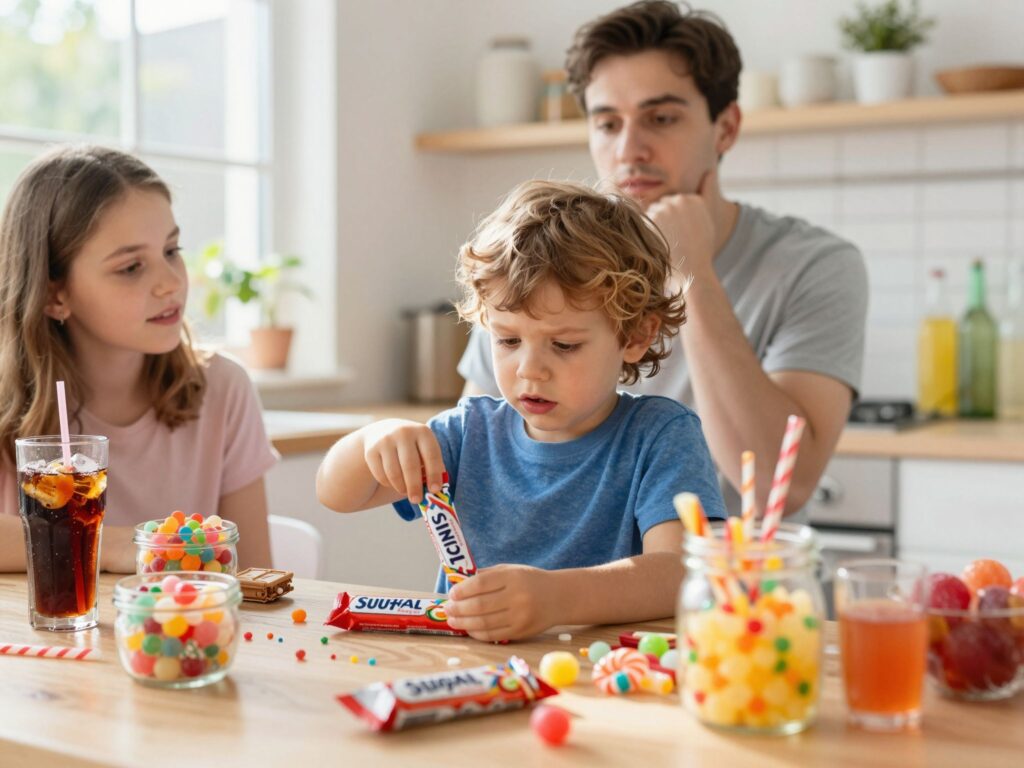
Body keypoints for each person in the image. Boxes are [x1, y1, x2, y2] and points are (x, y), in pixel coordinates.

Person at [458, 1, 868, 519]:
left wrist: (690, 271)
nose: (630, 148)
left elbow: (775, 488)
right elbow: (478, 461)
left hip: (734, 593)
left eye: (661, 118)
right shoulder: (543, 262)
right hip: (562, 594)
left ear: (726, 128)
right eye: (608, 123)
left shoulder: (816, 265)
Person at [316, 180, 725, 641]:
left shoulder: (661, 435)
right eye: (508, 340)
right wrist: (377, 437)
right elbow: (336, 493)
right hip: (472, 669)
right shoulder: (468, 432)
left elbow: (684, 572)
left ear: (634, 337)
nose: (530, 370)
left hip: (606, 678)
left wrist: (558, 598)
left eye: (564, 345)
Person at [0, 145, 278, 572]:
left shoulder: (222, 389)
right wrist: (113, 547)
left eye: (171, 251)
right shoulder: (6, 401)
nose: (170, 283)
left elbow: (254, 576)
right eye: (131, 267)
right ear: (55, 294)